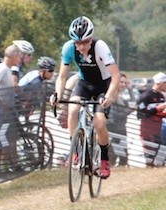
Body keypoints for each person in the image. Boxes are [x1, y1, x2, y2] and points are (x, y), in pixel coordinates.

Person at [52, 16, 121, 179]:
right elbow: (62, 76)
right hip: (84, 83)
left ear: (91, 39)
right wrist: (57, 95)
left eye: (85, 42)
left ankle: (104, 159)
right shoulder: (68, 48)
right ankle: (75, 150)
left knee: (99, 123)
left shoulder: (100, 47)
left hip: (103, 86)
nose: (81, 46)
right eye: (78, 43)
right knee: (73, 109)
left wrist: (110, 96)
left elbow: (116, 75)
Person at [0, 44, 21, 180]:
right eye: (18, 56)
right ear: (13, 56)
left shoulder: (7, 69)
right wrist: (0, 101)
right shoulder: (1, 68)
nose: (19, 59)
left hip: (6, 110)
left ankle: (1, 171)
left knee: (5, 141)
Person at [136, 72, 166, 165]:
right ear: (161, 83)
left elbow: (160, 113)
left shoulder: (161, 96)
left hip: (157, 129)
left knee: (160, 149)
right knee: (149, 151)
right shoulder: (146, 95)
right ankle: (149, 168)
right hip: (147, 129)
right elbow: (140, 114)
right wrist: (157, 109)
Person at [108, 72, 135, 166]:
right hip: (112, 129)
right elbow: (115, 115)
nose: (123, 84)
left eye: (124, 82)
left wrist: (131, 90)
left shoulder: (121, 97)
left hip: (121, 129)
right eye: (120, 82)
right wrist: (128, 111)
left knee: (124, 157)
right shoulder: (111, 96)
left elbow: (133, 105)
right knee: (113, 156)